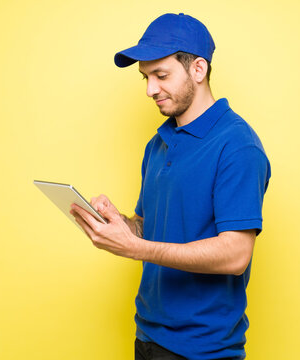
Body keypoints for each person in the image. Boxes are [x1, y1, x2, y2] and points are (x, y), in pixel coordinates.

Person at [70, 13, 271, 360]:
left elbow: (236, 254)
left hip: (203, 351)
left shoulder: (237, 145)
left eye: (161, 75)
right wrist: (117, 225)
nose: (150, 89)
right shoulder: (158, 144)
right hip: (147, 337)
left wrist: (135, 249)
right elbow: (150, 228)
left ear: (198, 69)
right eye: (146, 77)